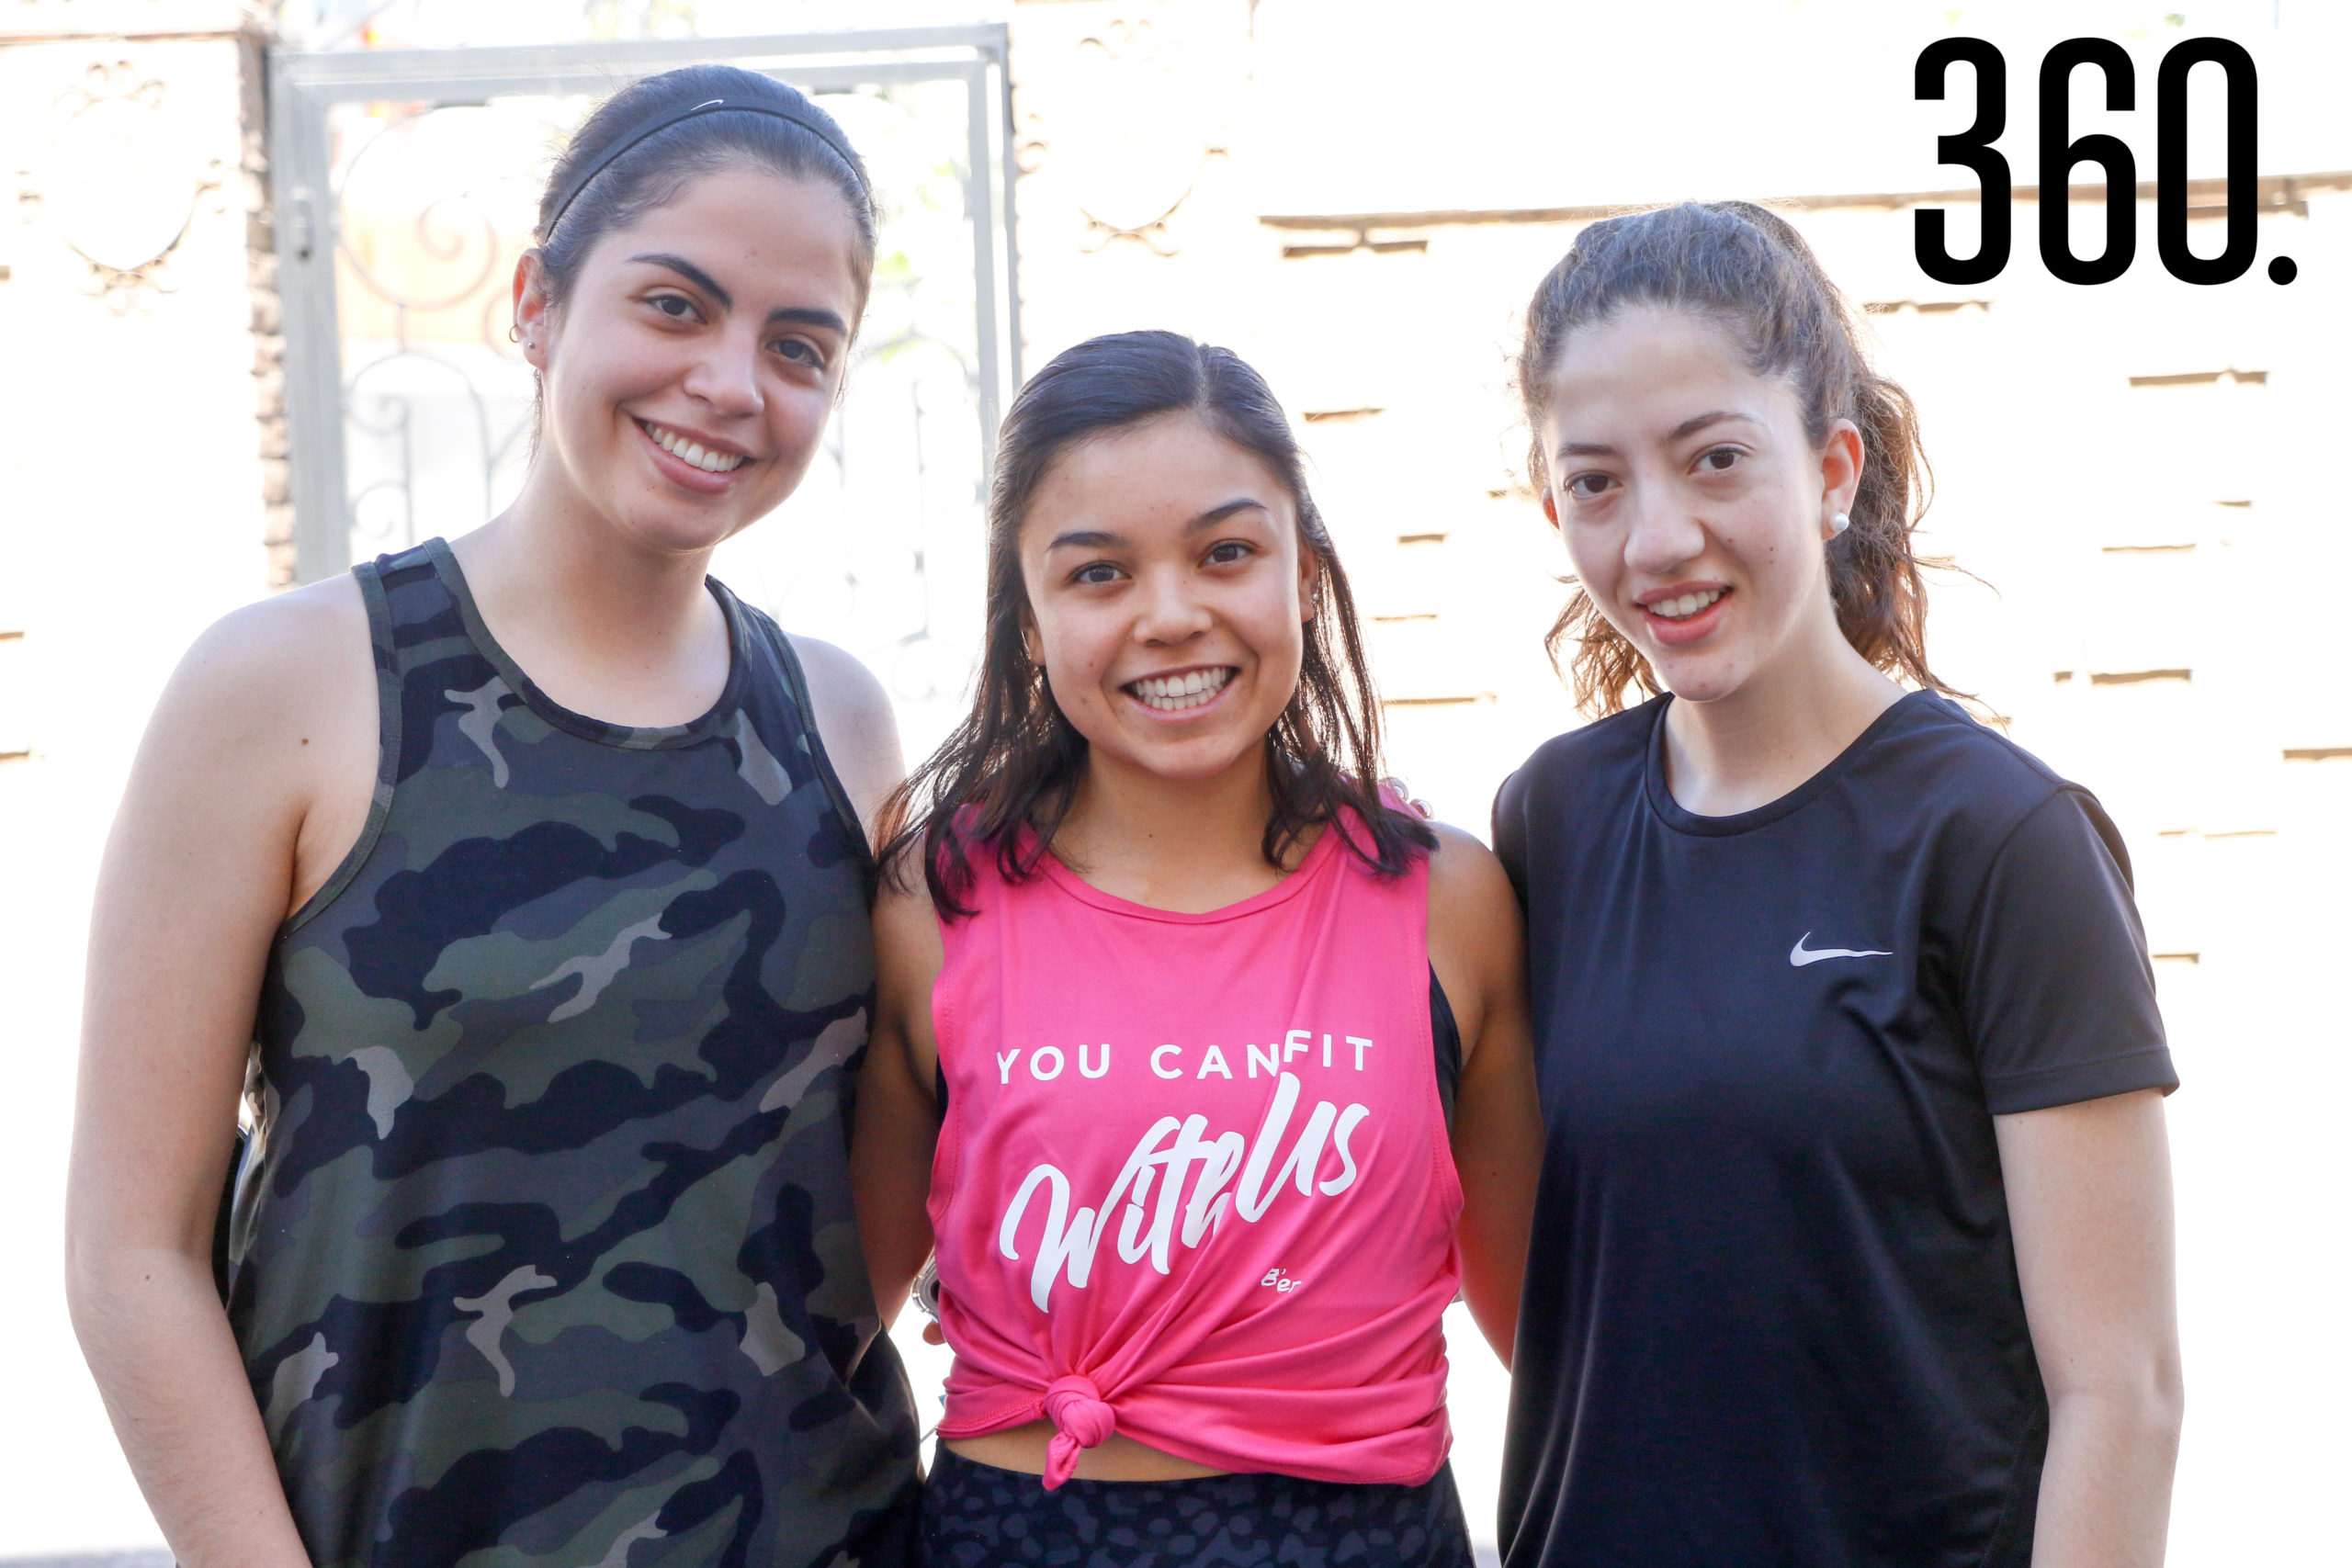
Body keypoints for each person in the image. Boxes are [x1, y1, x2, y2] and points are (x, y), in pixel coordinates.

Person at [66, 66, 922, 1568]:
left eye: (800, 345)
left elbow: (866, 1216)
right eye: (675, 304)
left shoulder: (840, 721)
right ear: (535, 302)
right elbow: (131, 1253)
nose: (732, 382)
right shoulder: (285, 687)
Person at [1490, 201, 2183, 1568]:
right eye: (1597, 482)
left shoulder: (2001, 837)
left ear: (1833, 469)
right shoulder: (1548, 818)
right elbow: (1568, 1297)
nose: (1657, 540)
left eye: (1716, 459)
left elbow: (2124, 1394)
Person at [851, 330, 1543, 1568]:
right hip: (1019, 1538)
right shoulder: (925, 905)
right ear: (1026, 621)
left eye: (1226, 553)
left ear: (1307, 578)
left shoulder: (1451, 901)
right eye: (1098, 575)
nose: (1171, 616)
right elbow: (827, 1326)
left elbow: (1549, 1337)